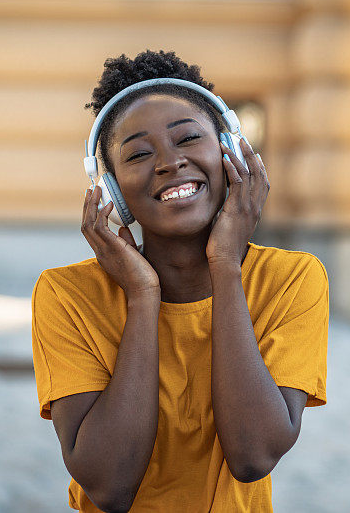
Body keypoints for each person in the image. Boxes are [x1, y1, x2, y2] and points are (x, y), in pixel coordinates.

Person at [31, 50, 329, 512]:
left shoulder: (291, 280)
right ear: (109, 190)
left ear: (231, 152)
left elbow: (253, 456)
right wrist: (143, 296)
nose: (170, 163)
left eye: (188, 138)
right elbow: (109, 487)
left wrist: (226, 264)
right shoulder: (66, 295)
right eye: (140, 153)